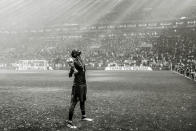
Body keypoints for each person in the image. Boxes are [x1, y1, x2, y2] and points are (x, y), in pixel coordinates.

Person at [66, 49, 93, 129]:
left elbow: (77, 72)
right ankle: (69, 122)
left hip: (83, 84)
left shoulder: (80, 61)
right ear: (75, 55)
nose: (79, 55)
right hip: (77, 85)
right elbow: (70, 75)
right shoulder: (74, 62)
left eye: (79, 54)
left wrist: (74, 70)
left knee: (82, 100)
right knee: (73, 102)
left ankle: (83, 116)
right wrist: (73, 69)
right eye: (78, 54)